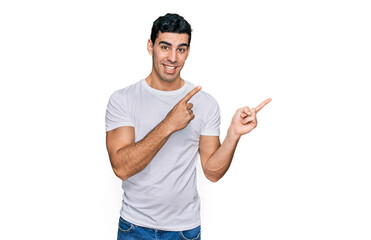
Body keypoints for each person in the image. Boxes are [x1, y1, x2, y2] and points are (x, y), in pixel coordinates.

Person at [105, 13, 271, 240]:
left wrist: (233, 134)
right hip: (134, 227)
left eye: (181, 49)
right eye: (165, 47)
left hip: (184, 230)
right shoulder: (123, 99)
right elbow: (121, 168)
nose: (173, 58)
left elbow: (212, 172)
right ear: (150, 46)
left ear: (188, 52)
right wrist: (169, 125)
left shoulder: (205, 103)